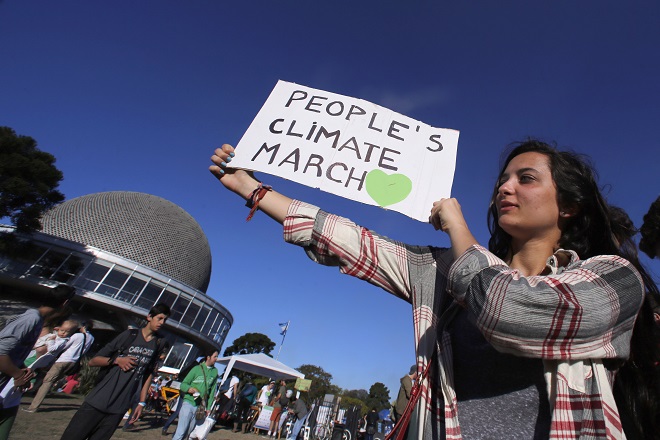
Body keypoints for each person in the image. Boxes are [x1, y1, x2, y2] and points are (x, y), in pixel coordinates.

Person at [210, 139, 659, 439]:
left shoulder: (613, 279)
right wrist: (253, 189)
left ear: (570, 207)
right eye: (502, 179)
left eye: (525, 179)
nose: (504, 188)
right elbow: (351, 240)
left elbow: (512, 311)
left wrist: (459, 229)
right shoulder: (444, 271)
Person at [59, 303, 170, 440]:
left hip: (119, 408)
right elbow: (93, 361)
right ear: (149, 317)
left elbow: (147, 374)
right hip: (98, 401)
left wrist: (141, 403)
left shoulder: (159, 344)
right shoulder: (129, 336)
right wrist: (117, 360)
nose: (162, 322)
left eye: (165, 320)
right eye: (159, 318)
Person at [0, 284, 75, 440]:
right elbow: (1, 352)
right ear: (64, 303)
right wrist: (17, 374)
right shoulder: (31, 320)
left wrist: (22, 368)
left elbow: (12, 352)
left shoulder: (38, 320)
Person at [26, 320, 94, 412]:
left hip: (64, 360)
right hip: (74, 362)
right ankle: (37, 392)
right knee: (52, 380)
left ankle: (33, 406)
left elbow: (65, 346)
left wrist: (53, 340)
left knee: (47, 381)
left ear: (84, 327)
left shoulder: (77, 336)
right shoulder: (91, 338)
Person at [172, 348, 219, 440]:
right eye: (215, 356)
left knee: (189, 432)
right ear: (208, 357)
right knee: (181, 432)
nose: (216, 359)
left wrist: (208, 407)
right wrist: (189, 389)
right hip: (188, 403)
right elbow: (183, 384)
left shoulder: (215, 372)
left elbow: (212, 390)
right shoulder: (196, 369)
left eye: (217, 356)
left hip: (199, 406)